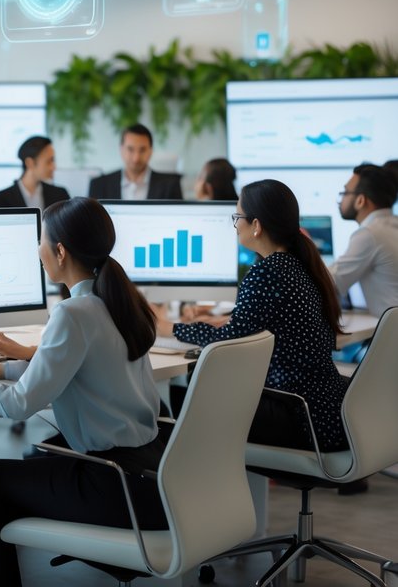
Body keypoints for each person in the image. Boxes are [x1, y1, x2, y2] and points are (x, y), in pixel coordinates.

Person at [0, 197, 165, 586]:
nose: (38, 249)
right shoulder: (118, 300)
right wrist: (5, 368)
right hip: (152, 477)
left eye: (42, 240)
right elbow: (82, 367)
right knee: (31, 460)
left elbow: (20, 405)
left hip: (115, 486)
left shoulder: (74, 313)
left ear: (60, 252)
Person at [157, 180, 351, 454]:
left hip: (299, 415)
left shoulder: (267, 273)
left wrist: (171, 328)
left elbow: (228, 342)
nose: (235, 225)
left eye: (238, 217)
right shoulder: (298, 265)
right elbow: (256, 326)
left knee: (183, 397)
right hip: (327, 412)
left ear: (256, 225)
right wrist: (229, 322)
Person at [331, 164, 398, 319]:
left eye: (345, 192)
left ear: (360, 200)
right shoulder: (391, 225)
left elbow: (331, 283)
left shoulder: (369, 234)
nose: (341, 199)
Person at [88, 124, 183, 200]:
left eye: (142, 150)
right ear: (121, 149)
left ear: (151, 151)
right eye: (130, 149)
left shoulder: (171, 185)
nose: (136, 158)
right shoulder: (99, 185)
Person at [0, 136, 69, 209]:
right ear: (30, 163)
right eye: (49, 161)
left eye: (53, 160)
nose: (54, 167)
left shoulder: (60, 195)